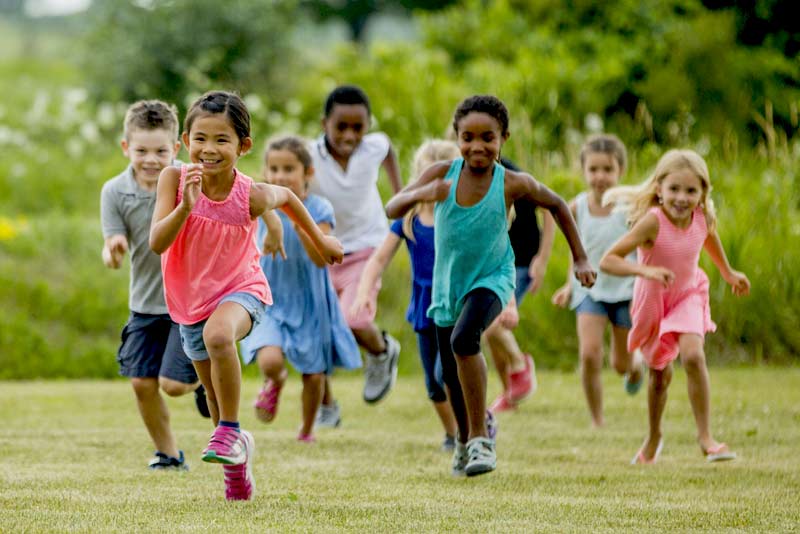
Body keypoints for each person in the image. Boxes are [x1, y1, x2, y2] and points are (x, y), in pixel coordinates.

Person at [385, 95, 596, 477]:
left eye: (488, 137)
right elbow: (393, 208)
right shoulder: (441, 174)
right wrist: (423, 194)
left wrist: (580, 258)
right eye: (468, 137)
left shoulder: (511, 182)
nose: (477, 146)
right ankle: (464, 442)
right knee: (449, 374)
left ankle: (482, 438)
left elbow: (557, 205)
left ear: (504, 138)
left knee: (464, 340)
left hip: (493, 278)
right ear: (457, 138)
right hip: (448, 286)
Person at [150, 91, 343, 500]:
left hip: (242, 289)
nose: (209, 149)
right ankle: (236, 465)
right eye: (200, 138)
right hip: (190, 301)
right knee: (214, 398)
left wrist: (321, 242)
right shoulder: (173, 180)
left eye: (222, 140)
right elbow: (157, 243)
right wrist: (185, 208)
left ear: (243, 146)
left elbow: (287, 198)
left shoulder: (249, 194)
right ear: (185, 140)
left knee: (218, 336)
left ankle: (232, 429)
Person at [599, 149, 749, 464]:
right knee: (660, 377)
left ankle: (706, 438)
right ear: (660, 189)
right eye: (674, 189)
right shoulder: (652, 223)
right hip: (654, 303)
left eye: (691, 191)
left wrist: (728, 272)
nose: (682, 198)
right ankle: (654, 436)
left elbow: (708, 239)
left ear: (702, 193)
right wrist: (645, 270)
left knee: (694, 356)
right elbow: (608, 260)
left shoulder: (702, 217)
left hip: (688, 294)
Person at [100, 99, 209, 472]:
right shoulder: (114, 192)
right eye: (141, 151)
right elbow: (112, 245)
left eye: (160, 151)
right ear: (125, 147)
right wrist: (113, 251)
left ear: (176, 148)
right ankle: (169, 455)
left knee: (173, 385)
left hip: (188, 302)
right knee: (141, 384)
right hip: (145, 303)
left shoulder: (191, 182)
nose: (151, 160)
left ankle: (203, 381)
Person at [239, 136, 361, 443]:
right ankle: (275, 380)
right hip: (268, 297)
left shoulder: (319, 208)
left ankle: (306, 430)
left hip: (310, 300)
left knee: (314, 372)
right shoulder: (261, 205)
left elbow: (321, 260)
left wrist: (299, 223)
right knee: (270, 360)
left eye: (288, 169)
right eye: (274, 169)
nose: (280, 176)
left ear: (308, 173)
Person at [352, 139, 460, 451]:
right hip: (424, 306)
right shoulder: (409, 218)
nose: (437, 185)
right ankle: (453, 435)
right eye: (430, 176)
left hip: (455, 305)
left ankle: (475, 425)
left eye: (445, 176)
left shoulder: (459, 215)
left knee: (446, 373)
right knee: (433, 383)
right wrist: (364, 291)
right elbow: (378, 259)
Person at [308, 85, 403, 412]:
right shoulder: (309, 155)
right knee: (317, 329)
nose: (349, 135)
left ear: (368, 125)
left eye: (358, 127)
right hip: (323, 251)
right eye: (341, 127)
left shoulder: (373, 146)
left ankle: (381, 352)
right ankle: (325, 407)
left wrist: (399, 196)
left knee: (354, 319)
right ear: (325, 124)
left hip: (367, 246)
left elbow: (388, 149)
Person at [550, 134, 645, 427]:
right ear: (583, 171)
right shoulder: (575, 208)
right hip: (589, 289)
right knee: (589, 355)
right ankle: (597, 419)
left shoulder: (630, 208)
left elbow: (645, 245)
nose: (600, 176)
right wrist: (569, 285)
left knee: (620, 364)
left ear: (620, 171)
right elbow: (578, 251)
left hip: (625, 289)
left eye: (607, 169)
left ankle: (636, 365)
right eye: (593, 169)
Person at [486, 158, 556, 414]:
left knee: (491, 323)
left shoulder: (510, 173)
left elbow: (549, 208)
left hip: (522, 262)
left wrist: (543, 259)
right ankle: (510, 393)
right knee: (491, 332)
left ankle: (519, 363)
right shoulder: (464, 175)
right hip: (491, 263)